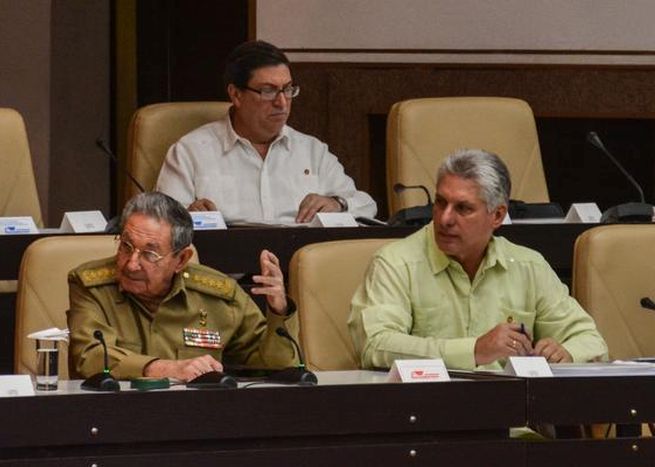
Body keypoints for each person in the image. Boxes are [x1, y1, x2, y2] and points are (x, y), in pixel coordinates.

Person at [348, 149, 607, 370]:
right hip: (428, 420)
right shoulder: (395, 263)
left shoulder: (529, 266)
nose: (445, 218)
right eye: (440, 203)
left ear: (497, 216)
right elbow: (376, 345)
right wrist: (474, 350)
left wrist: (566, 353)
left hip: (514, 424)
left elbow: (591, 340)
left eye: (463, 208)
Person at [67, 192, 297, 381]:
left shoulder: (221, 296)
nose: (132, 263)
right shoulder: (90, 286)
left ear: (181, 259)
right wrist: (169, 369)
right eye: (126, 246)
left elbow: (276, 369)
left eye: (149, 253)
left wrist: (278, 312)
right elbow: (90, 356)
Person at [156, 40, 377, 225]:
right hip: (224, 272)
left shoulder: (312, 151)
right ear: (236, 95)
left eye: (288, 89)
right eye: (268, 91)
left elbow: (367, 206)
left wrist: (338, 203)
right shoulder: (190, 151)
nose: (282, 102)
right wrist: (188, 216)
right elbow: (161, 221)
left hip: (301, 270)